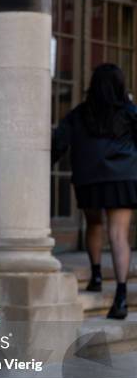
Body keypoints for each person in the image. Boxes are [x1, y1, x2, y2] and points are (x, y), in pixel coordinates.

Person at [52, 63, 137, 320]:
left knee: (94, 224)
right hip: (123, 178)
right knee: (119, 235)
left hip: (90, 179)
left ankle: (97, 275)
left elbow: (59, 143)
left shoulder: (79, 114)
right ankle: (121, 295)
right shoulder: (129, 112)